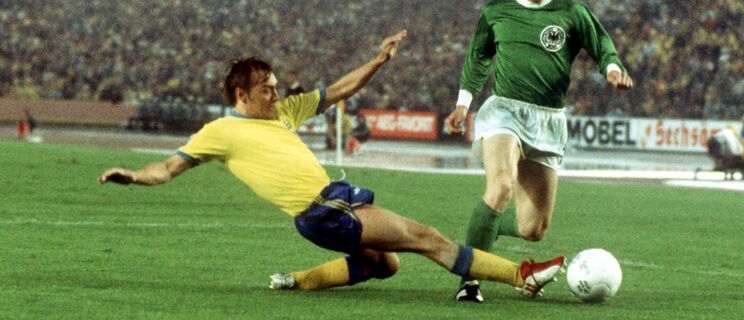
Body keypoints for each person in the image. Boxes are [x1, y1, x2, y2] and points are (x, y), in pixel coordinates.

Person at [98, 30, 564, 297]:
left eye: (277, 85)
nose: (277, 93)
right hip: (325, 209)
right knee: (427, 239)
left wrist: (378, 61)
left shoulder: (283, 113)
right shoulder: (219, 132)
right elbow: (169, 168)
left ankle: (297, 281)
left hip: (323, 214)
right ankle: (522, 276)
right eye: (267, 88)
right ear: (241, 94)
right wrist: (135, 176)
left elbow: (337, 91)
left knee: (386, 266)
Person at [444, 0, 634, 303]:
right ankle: (469, 281)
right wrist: (463, 104)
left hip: (548, 121)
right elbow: (478, 59)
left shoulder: (571, 12)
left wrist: (612, 69)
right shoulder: (496, 11)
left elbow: (603, 46)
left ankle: (485, 229)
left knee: (533, 229)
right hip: (504, 113)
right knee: (500, 186)